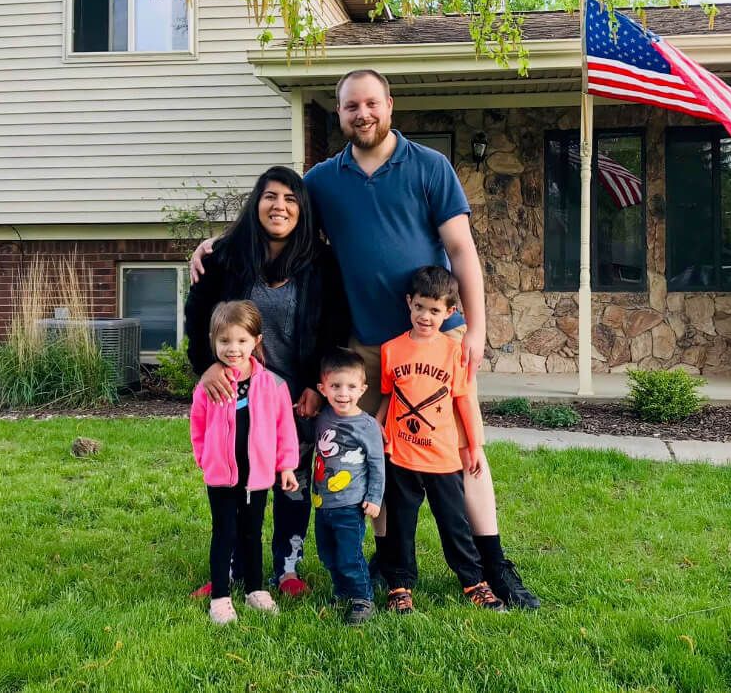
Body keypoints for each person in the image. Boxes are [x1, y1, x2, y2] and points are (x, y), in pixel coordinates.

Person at [192, 68, 539, 609]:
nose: (363, 114)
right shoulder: (325, 181)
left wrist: (477, 329)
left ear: (390, 105)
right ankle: (390, 564)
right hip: (368, 345)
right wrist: (217, 243)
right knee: (367, 450)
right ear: (340, 114)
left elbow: (463, 250)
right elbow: (280, 216)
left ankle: (494, 563)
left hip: (435, 338)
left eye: (371, 103)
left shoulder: (430, 167)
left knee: (463, 451)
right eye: (352, 106)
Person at [184, 165, 350, 599]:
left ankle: (287, 567)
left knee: (292, 481)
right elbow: (198, 317)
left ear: (303, 210)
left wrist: (318, 383)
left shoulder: (321, 264)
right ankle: (235, 567)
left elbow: (335, 327)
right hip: (240, 397)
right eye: (271, 196)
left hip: (297, 399)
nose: (280, 206)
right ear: (256, 203)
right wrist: (206, 366)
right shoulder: (225, 257)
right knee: (241, 482)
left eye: (291, 199)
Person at [376, 266, 504, 613]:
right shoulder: (391, 350)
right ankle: (399, 585)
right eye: (420, 307)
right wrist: (377, 432)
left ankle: (474, 581)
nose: (426, 316)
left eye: (435, 310)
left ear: (449, 313)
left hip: (444, 459)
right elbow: (390, 397)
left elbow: (463, 401)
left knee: (454, 525)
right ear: (409, 303)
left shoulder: (453, 351)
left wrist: (474, 447)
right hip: (401, 456)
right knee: (400, 527)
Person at [189, 300, 300, 625]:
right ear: (214, 341)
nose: (233, 348)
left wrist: (287, 466)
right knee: (224, 531)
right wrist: (204, 458)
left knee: (252, 532)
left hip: (258, 476)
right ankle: (220, 597)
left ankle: (255, 590)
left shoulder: (273, 385)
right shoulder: (210, 385)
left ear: (256, 342)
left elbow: (285, 430)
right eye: (224, 341)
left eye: (241, 341)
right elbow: (197, 425)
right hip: (221, 476)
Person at [311, 348, 385, 625]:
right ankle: (342, 591)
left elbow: (377, 464)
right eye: (335, 386)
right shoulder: (323, 417)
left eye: (351, 386)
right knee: (328, 554)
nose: (343, 393)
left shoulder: (366, 426)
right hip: (322, 503)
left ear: (363, 389)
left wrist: (374, 498)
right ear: (323, 388)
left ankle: (362, 598)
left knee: (349, 555)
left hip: (350, 504)